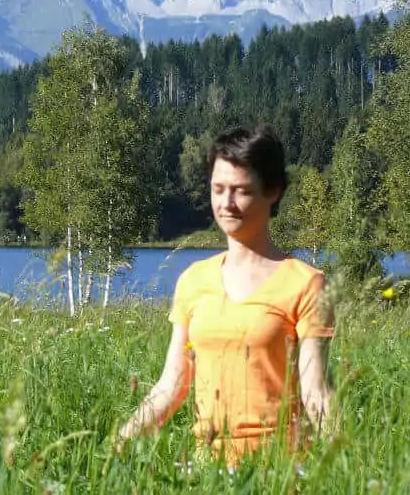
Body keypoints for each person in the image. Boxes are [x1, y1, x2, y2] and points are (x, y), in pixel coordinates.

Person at [116, 125, 335, 469]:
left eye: (241, 191)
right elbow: (172, 384)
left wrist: (342, 463)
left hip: (277, 470)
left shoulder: (306, 283)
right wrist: (119, 443)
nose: (226, 204)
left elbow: (315, 391)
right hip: (206, 470)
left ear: (273, 191)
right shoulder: (193, 280)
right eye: (218, 189)